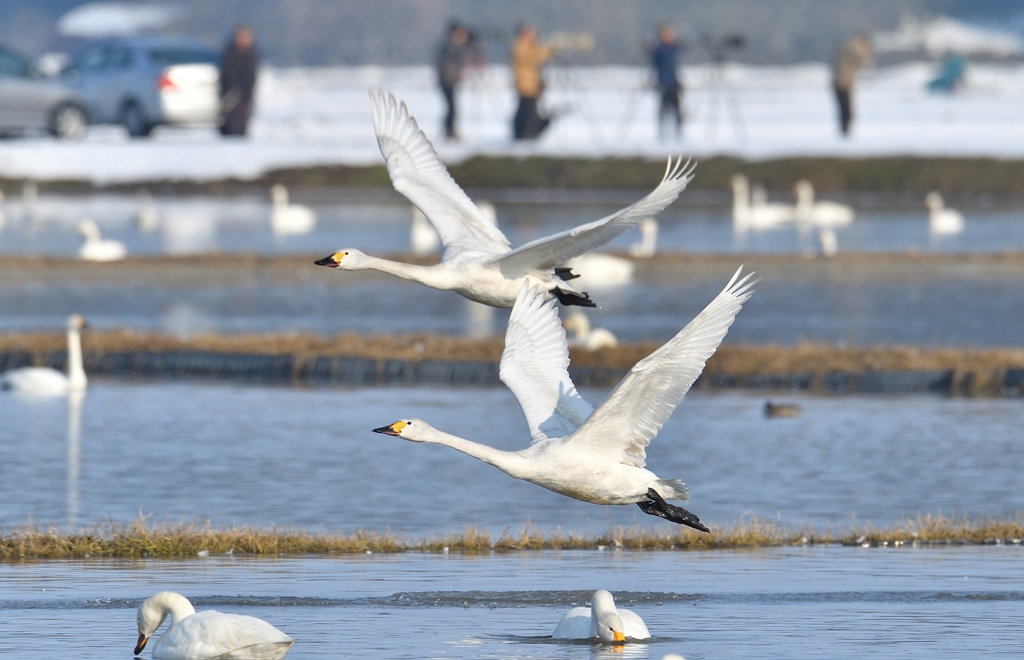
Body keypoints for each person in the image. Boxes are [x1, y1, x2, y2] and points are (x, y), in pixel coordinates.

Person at [510, 23, 556, 140]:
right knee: (525, 111)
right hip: (525, 85)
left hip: (533, 85)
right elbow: (532, 57)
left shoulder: (530, 46)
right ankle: (522, 133)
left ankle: (529, 133)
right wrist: (547, 50)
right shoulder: (519, 46)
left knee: (531, 111)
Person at [219, 24, 258, 137]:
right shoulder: (230, 52)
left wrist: (249, 87)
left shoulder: (252, 53)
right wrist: (234, 88)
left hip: (247, 92)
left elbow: (252, 72)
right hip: (232, 91)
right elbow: (228, 72)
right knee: (232, 119)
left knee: (244, 118)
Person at [435, 22, 472, 140]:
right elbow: (452, 61)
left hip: (451, 81)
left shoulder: (452, 45)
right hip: (447, 81)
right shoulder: (448, 45)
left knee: (452, 107)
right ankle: (449, 131)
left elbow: (462, 58)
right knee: (452, 107)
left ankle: (450, 130)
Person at [831, 33, 871, 137]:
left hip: (842, 83)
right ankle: (845, 132)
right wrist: (864, 52)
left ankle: (845, 131)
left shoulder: (846, 47)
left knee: (845, 109)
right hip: (843, 83)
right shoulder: (851, 49)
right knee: (846, 109)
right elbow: (861, 61)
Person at [650, 23, 684, 138]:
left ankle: (678, 134)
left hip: (673, 84)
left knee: (677, 111)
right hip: (664, 84)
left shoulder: (673, 49)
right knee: (663, 111)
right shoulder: (659, 51)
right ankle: (663, 134)